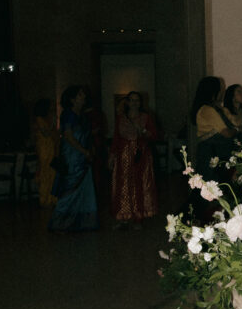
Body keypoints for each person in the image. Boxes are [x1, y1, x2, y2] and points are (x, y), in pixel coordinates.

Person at [48, 85, 99, 233]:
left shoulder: (81, 115)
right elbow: (68, 136)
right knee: (71, 187)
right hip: (73, 156)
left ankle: (82, 222)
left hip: (83, 156)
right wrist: (83, 151)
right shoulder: (68, 114)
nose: (83, 97)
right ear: (73, 99)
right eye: (80, 95)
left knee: (85, 188)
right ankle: (59, 223)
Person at [109, 91, 158, 229]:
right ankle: (123, 217)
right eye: (131, 100)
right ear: (127, 102)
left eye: (137, 100)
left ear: (140, 103)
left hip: (140, 155)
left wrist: (142, 131)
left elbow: (154, 135)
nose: (134, 103)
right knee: (122, 185)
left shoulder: (146, 117)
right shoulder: (121, 118)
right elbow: (116, 138)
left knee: (139, 184)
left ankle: (138, 217)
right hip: (123, 156)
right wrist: (112, 156)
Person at [190, 76, 236, 182]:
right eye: (221, 89)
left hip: (216, 153)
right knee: (210, 187)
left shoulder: (217, 109)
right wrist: (236, 130)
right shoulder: (207, 110)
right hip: (210, 154)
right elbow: (227, 133)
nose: (223, 92)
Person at [32, 97, 58, 208]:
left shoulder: (43, 119)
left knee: (51, 174)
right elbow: (46, 133)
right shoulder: (39, 120)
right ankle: (45, 199)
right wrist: (53, 123)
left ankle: (51, 198)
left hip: (49, 149)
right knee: (45, 174)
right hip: (44, 150)